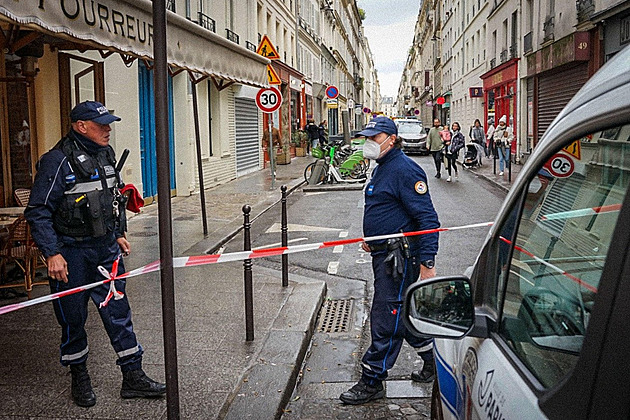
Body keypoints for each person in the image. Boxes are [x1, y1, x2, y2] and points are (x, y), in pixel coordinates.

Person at [25, 101, 166, 408]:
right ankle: (79, 376)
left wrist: (118, 232)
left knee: (119, 313)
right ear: (80, 126)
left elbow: (113, 198)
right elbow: (37, 211)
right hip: (71, 255)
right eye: (101, 124)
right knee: (73, 319)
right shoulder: (57, 160)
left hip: (105, 252)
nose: (108, 129)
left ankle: (133, 376)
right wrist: (52, 254)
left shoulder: (106, 154)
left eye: (108, 123)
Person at [339, 116, 440, 405]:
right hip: (385, 252)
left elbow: (428, 219)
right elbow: (387, 208)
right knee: (400, 311)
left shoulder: (405, 170)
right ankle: (432, 357)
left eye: (374, 138)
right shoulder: (383, 167)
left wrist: (427, 263)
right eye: (367, 138)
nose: (369, 143)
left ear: (391, 140)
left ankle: (372, 381)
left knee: (387, 316)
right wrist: (373, 238)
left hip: (399, 258)